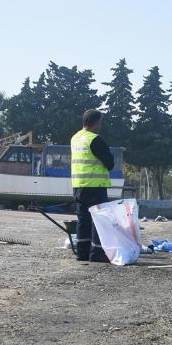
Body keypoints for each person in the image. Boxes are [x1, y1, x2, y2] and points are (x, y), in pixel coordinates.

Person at [71, 109, 114, 262]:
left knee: (83, 219)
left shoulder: (75, 138)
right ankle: (97, 253)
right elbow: (110, 163)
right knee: (99, 219)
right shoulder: (95, 139)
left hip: (79, 185)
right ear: (96, 123)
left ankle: (81, 253)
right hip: (95, 186)